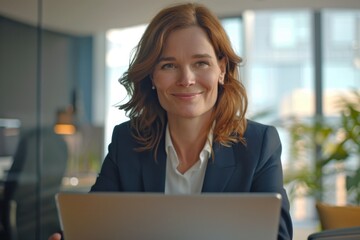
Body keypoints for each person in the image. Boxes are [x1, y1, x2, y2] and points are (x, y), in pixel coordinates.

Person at [50, 2, 292, 240]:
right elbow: (91, 224)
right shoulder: (127, 141)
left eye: (201, 63)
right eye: (169, 65)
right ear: (152, 76)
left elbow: (277, 236)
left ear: (221, 69)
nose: (186, 79)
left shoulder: (259, 144)